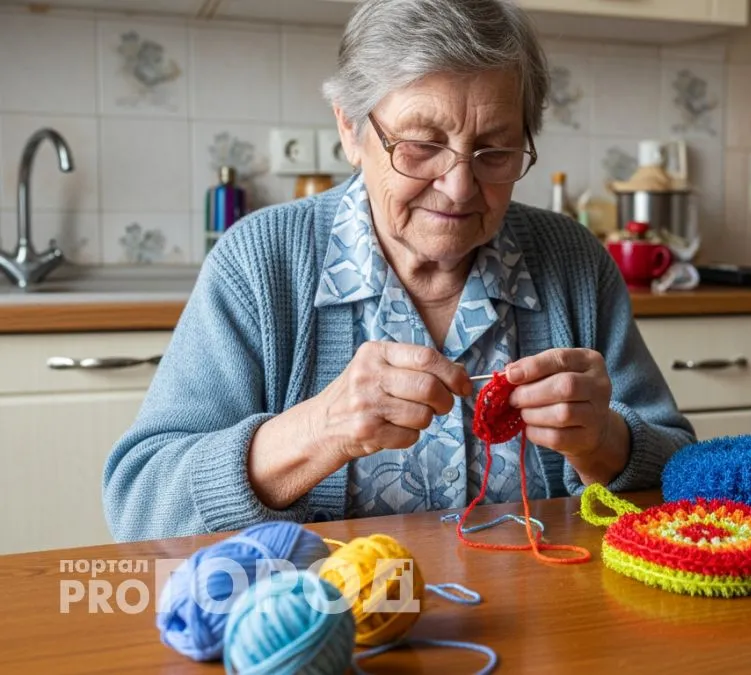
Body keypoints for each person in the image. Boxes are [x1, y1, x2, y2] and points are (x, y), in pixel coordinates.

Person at [101, 0, 695, 541]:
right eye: (419, 145)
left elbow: (686, 476)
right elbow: (140, 505)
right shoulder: (261, 261)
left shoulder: (572, 261)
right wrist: (319, 430)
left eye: (496, 151)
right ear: (350, 129)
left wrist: (608, 445)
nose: (460, 186)